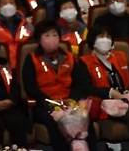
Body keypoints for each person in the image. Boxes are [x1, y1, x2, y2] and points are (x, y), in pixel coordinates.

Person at [73, 26, 129, 151]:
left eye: (108, 37)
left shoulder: (120, 57)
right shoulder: (84, 62)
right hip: (105, 104)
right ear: (92, 41)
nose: (105, 40)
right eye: (101, 37)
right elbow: (87, 88)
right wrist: (110, 93)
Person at [23, 20, 95, 151]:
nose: (52, 39)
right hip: (45, 104)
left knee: (85, 118)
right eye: (47, 35)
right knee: (57, 122)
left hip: (69, 102)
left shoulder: (69, 57)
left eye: (55, 35)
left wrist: (71, 101)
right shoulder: (31, 59)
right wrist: (53, 104)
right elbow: (31, 88)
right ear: (39, 39)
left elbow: (79, 84)